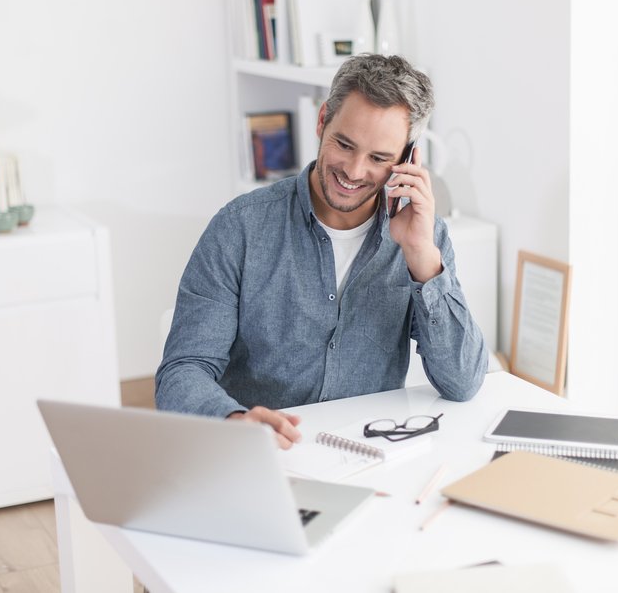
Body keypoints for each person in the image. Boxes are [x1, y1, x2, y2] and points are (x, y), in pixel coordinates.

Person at [155, 54, 487, 449]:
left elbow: (463, 381)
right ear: (322, 119)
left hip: (369, 457)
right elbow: (181, 371)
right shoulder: (240, 228)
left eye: (379, 158)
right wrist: (233, 419)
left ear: (407, 158)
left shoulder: (424, 237)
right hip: (263, 457)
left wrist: (421, 256)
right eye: (344, 144)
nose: (355, 171)